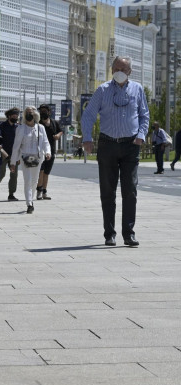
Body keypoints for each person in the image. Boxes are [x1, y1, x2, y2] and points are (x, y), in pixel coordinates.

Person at [81, 56, 149, 247]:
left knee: (130, 191)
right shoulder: (103, 90)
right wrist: (87, 138)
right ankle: (109, 234)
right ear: (111, 69)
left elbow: (144, 115)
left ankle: (129, 233)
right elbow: (88, 115)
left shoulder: (137, 89)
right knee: (107, 191)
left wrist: (141, 135)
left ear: (130, 71)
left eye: (124, 68)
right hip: (108, 144)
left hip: (130, 145)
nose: (120, 71)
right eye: (117, 67)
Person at [10, 106, 51, 214]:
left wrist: (48, 152)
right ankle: (29, 204)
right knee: (27, 180)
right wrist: (13, 162)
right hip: (25, 158)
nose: (29, 114)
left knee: (34, 181)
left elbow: (46, 142)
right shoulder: (20, 128)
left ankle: (31, 199)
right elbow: (16, 146)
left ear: (35, 115)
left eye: (31, 112)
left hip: (37, 158)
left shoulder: (40, 127)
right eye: (27, 112)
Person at [36, 104, 63, 200]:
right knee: (41, 171)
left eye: (45, 111)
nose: (43, 112)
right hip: (40, 151)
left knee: (46, 172)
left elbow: (61, 131)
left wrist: (58, 136)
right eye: (41, 110)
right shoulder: (37, 123)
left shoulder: (54, 122)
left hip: (51, 150)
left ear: (49, 112)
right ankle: (39, 191)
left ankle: (44, 191)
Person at [0, 107, 20, 201]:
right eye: (14, 115)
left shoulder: (18, 127)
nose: (15, 117)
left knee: (14, 175)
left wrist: (18, 155)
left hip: (14, 155)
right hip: (3, 153)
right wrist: (1, 151)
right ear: (9, 116)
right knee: (1, 174)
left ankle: (11, 194)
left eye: (17, 115)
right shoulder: (1, 126)